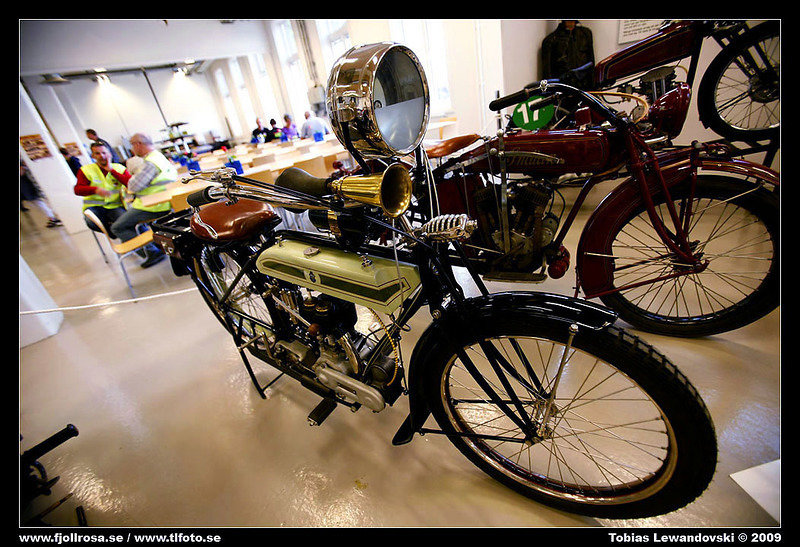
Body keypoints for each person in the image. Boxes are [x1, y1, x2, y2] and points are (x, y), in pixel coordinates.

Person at [107, 132, 177, 268]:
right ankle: (155, 246)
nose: (132, 149)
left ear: (138, 144)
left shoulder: (150, 163)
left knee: (117, 227)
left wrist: (132, 178)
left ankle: (152, 252)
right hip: (160, 202)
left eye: (132, 145)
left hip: (153, 206)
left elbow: (133, 186)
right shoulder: (158, 157)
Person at [73, 142, 127, 235]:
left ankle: (121, 233)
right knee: (91, 222)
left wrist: (111, 170)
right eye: (97, 153)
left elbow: (129, 183)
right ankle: (113, 234)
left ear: (109, 154)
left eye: (104, 153)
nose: (101, 156)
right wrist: (95, 190)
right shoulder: (85, 170)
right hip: (94, 206)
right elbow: (77, 190)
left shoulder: (119, 168)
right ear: (93, 156)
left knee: (126, 222)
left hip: (114, 206)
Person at [541, 20, 594, 88]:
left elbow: (591, 66)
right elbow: (547, 77)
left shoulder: (585, 34)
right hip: (563, 89)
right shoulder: (551, 40)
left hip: (584, 88)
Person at [20, 162, 63, 228]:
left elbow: (21, 172)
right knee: (39, 203)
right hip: (27, 187)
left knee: (40, 203)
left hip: (29, 187)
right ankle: (52, 218)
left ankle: (53, 218)